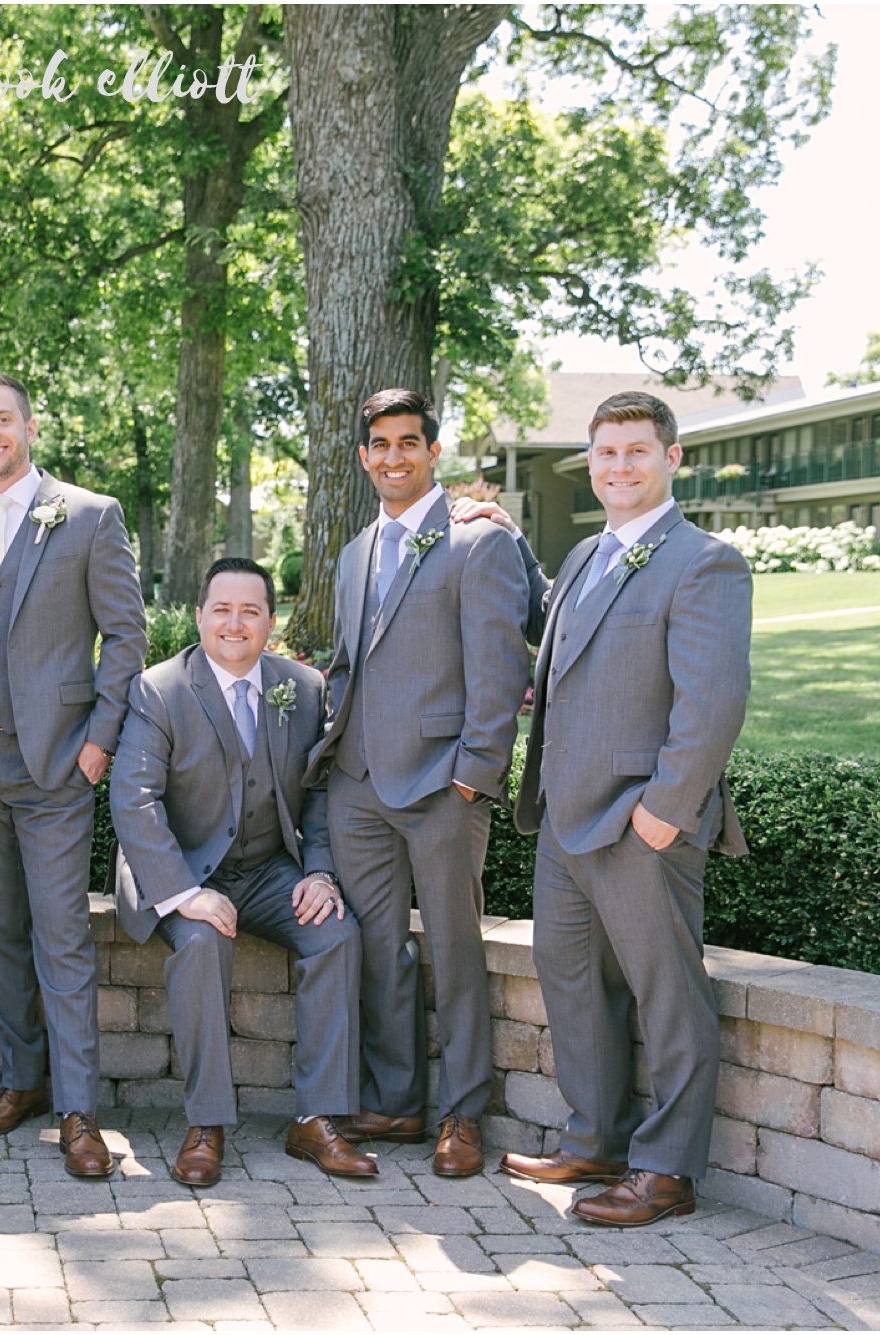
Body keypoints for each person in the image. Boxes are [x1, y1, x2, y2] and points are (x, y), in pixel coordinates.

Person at [492, 391, 752, 1226]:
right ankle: (595, 1137)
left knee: (667, 994)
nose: (620, 467)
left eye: (637, 451)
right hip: (564, 821)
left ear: (672, 458)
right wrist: (495, 526)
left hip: (641, 825)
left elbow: (712, 704)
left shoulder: (704, 560)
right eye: (605, 453)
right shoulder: (580, 559)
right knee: (573, 987)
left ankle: (667, 1170)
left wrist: (663, 813)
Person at [0, 372, 147, 1178]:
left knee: (63, 934)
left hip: (57, 763)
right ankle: (23, 1079)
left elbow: (126, 635)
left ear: (29, 425)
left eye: (1, 419)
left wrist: (99, 742)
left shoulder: (90, 515)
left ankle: (79, 1111)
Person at [307, 388, 530, 1178]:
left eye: (410, 442)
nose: (394, 456)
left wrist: (474, 777)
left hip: (442, 788)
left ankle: (462, 1110)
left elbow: (499, 670)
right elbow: (348, 661)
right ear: (364, 457)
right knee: (378, 949)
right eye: (380, 444)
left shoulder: (477, 542)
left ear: (433, 451)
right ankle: (397, 1099)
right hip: (359, 785)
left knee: (455, 949)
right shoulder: (354, 551)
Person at [112, 559, 370, 1187]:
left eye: (250, 611)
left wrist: (320, 873)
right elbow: (133, 799)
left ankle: (316, 1118)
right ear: (199, 616)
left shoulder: (303, 688)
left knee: (336, 933)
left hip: (269, 871)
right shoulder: (159, 689)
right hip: (182, 870)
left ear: (270, 622)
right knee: (201, 946)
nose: (235, 623)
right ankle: (206, 1125)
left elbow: (319, 794)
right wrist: (184, 893)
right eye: (221, 609)